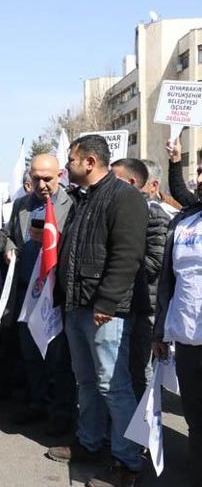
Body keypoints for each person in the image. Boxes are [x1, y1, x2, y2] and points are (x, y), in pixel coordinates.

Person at [47, 135, 148, 487]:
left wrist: (106, 302)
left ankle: (128, 461)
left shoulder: (125, 197)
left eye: (71, 159)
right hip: (78, 306)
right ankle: (90, 443)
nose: (67, 166)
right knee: (86, 382)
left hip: (106, 310)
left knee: (114, 386)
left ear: (90, 162)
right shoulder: (83, 200)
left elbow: (127, 256)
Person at [4, 154, 76, 436]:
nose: (42, 184)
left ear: (59, 175)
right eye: (36, 178)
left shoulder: (72, 205)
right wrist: (8, 248)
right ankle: (37, 404)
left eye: (48, 178)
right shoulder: (21, 205)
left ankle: (62, 411)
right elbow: (10, 235)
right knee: (31, 354)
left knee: (58, 358)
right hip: (26, 293)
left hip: (54, 293)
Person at [152, 164, 202, 487]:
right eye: (200, 172)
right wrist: (159, 331)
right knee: (195, 417)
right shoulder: (184, 222)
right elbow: (167, 282)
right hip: (186, 340)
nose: (200, 179)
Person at [111, 158, 170, 399]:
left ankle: (145, 428)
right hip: (126, 303)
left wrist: (117, 273)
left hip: (146, 306)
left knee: (141, 370)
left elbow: (154, 262)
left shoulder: (155, 215)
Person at [165, 132, 197, 208]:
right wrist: (176, 158)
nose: (199, 179)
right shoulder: (197, 208)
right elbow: (179, 191)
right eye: (199, 172)